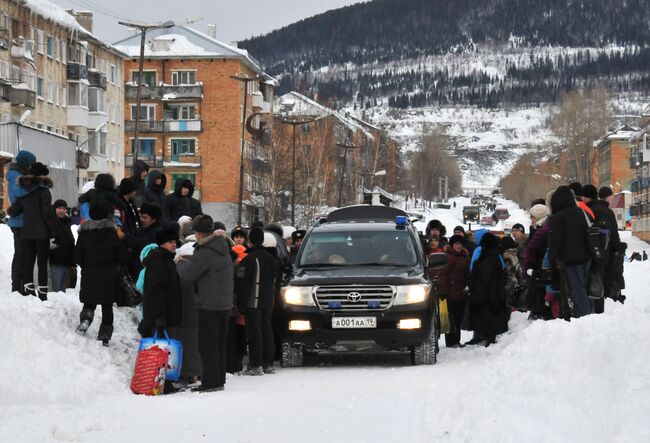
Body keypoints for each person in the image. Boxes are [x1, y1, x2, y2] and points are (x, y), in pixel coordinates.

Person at [176, 215, 234, 392]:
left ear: (198, 233)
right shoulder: (222, 247)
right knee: (219, 344)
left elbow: (188, 274)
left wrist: (180, 263)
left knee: (207, 345)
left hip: (209, 304)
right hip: (224, 303)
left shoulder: (206, 251)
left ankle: (211, 382)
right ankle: (219, 379)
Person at [75, 205, 126, 345]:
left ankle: (86, 319)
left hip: (89, 272)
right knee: (107, 305)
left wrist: (85, 265)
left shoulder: (84, 233)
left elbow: (77, 255)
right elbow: (121, 254)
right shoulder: (111, 233)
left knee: (89, 301)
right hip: (109, 273)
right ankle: (105, 334)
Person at [8, 162, 57, 300]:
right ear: (42, 176)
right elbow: (46, 214)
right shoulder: (44, 191)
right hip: (42, 234)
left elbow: (14, 211)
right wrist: (54, 232)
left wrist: (12, 211)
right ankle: (42, 293)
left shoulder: (25, 191)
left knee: (28, 261)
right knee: (42, 263)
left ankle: (29, 290)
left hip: (26, 232)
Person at [235, 227, 278, 375]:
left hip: (253, 301)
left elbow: (242, 283)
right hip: (267, 301)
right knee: (267, 330)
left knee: (255, 333)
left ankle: (256, 364)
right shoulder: (270, 258)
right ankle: (268, 363)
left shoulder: (248, 259)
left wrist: (241, 303)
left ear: (249, 240)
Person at [548, 185, 592, 318]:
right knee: (585, 289)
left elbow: (555, 241)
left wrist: (551, 257)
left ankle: (584, 319)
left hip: (570, 260)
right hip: (587, 256)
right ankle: (591, 317)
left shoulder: (557, 217)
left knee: (577, 291)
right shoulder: (580, 212)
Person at [139, 224, 182, 337]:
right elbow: (155, 290)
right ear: (162, 244)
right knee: (159, 350)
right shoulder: (159, 262)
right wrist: (159, 316)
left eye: (174, 242)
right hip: (160, 318)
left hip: (164, 315)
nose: (174, 245)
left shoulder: (166, 260)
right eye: (170, 242)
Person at [583, 184, 621, 314]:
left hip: (589, 250)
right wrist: (619, 247)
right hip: (605, 250)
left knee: (592, 278)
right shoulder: (606, 211)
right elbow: (613, 232)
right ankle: (600, 309)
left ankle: (592, 307)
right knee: (602, 279)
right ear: (608, 197)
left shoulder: (588, 209)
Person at [469, 232, 509, 346]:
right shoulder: (496, 255)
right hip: (495, 293)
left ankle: (489, 340)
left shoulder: (488, 257)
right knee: (492, 317)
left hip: (487, 294)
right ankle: (489, 339)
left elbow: (484, 277)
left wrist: (476, 289)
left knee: (488, 318)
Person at [6, 150, 37, 294]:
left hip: (22, 220)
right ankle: (17, 286)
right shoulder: (17, 176)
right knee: (21, 254)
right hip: (20, 221)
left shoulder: (17, 174)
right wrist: (35, 184)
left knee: (23, 254)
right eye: (30, 164)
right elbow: (19, 192)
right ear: (26, 164)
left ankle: (21, 284)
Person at [440, 235, 470, 347]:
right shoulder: (448, 257)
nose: (458, 246)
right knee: (451, 318)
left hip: (461, 293)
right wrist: (443, 291)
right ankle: (451, 341)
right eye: (456, 244)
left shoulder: (465, 256)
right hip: (451, 294)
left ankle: (456, 340)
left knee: (458, 318)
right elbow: (443, 275)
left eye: (460, 244)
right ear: (452, 245)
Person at [523, 204, 551, 319]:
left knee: (538, 294)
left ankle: (538, 313)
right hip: (538, 266)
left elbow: (532, 249)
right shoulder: (537, 228)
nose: (531, 219)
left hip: (539, 267)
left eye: (533, 217)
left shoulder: (542, 231)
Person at [49, 199, 75, 293]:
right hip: (55, 262)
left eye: (64, 208)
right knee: (55, 292)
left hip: (66, 263)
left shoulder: (66, 222)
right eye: (59, 208)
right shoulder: (52, 222)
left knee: (62, 292)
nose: (62, 210)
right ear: (54, 209)